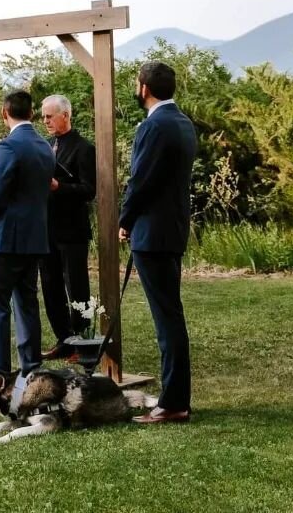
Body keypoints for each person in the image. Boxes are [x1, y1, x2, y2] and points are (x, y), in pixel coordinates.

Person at [119, 61, 198, 424]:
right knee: (171, 315)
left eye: (137, 84)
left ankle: (174, 402)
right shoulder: (184, 124)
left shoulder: (154, 126)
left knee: (167, 319)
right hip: (173, 229)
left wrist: (125, 219)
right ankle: (175, 397)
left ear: (145, 88)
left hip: (152, 233)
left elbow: (142, 180)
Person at [0, 90, 54, 400]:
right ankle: (31, 372)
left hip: (6, 240)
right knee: (27, 304)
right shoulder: (46, 147)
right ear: (31, 113)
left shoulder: (7, 146)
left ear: (5, 113)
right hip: (34, 240)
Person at [38, 94, 97, 358]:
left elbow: (89, 189)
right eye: (43, 116)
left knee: (77, 288)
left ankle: (82, 342)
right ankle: (63, 339)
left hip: (72, 231)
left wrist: (59, 186)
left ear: (66, 115)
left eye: (50, 116)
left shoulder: (84, 148)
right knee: (50, 287)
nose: (46, 121)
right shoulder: (45, 145)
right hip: (46, 229)